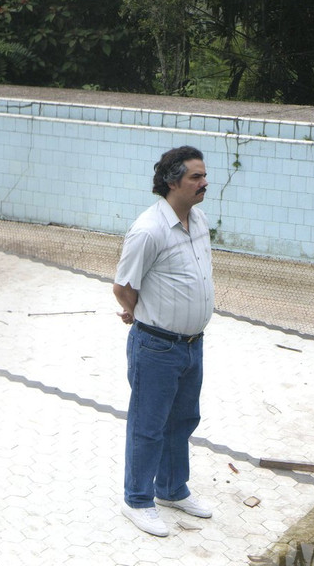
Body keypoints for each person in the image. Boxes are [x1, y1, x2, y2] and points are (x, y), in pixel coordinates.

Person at [113, 145, 215, 538]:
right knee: (148, 425)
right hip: (156, 346)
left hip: (192, 343)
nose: (204, 183)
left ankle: (172, 489)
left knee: (183, 420)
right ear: (173, 182)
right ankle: (137, 499)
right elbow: (123, 286)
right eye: (196, 177)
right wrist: (139, 312)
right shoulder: (148, 229)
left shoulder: (199, 219)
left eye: (204, 176)